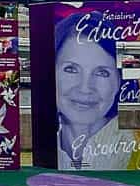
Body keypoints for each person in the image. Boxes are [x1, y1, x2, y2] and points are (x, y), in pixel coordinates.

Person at [53, 11, 123, 170]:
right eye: (71, 69)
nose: (85, 88)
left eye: (102, 72)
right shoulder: (44, 148)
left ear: (118, 81)